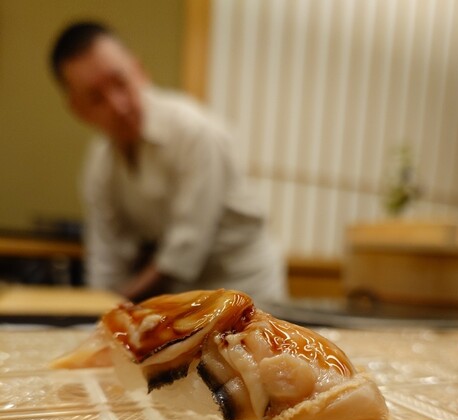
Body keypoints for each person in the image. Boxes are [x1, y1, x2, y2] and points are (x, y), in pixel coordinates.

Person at [49, 21, 287, 302]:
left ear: (139, 71)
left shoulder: (194, 132)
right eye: (96, 97)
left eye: (120, 82)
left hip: (246, 286)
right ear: (78, 109)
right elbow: (105, 255)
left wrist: (115, 305)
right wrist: (96, 307)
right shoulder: (100, 164)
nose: (118, 105)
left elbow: (183, 254)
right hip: (185, 297)